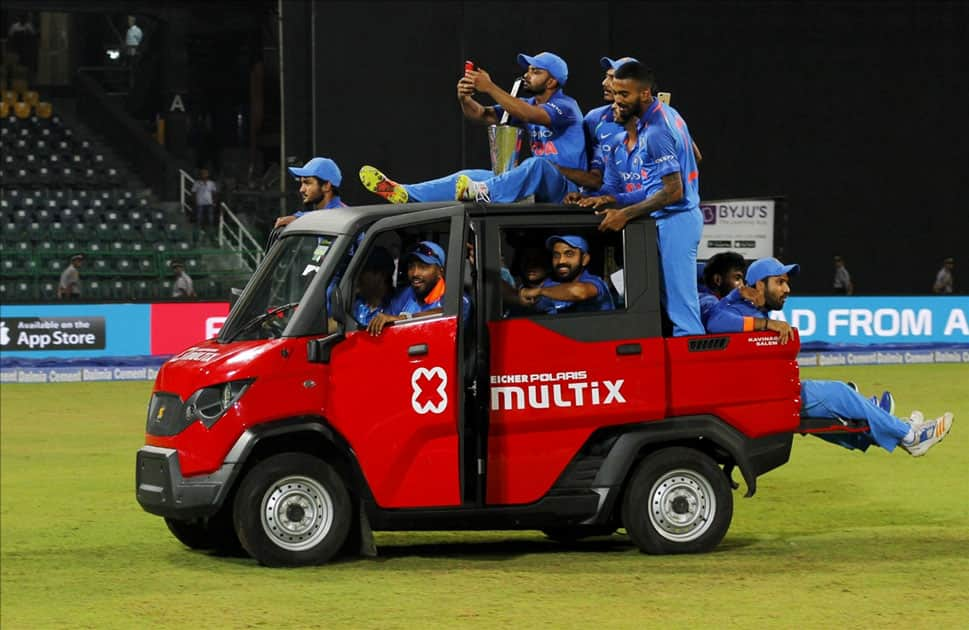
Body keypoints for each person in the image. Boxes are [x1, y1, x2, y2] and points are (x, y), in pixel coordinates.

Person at [706, 256, 954, 456]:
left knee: (835, 418)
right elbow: (715, 321)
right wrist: (764, 324)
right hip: (764, 398)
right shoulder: (740, 308)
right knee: (839, 393)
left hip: (768, 393)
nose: (787, 289)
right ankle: (910, 435)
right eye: (780, 282)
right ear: (759, 285)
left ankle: (882, 419)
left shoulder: (749, 308)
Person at [569, 61, 704, 336]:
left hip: (676, 219)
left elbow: (672, 191)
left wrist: (624, 214)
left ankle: (693, 374)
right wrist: (611, 200)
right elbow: (693, 158)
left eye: (624, 94)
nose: (617, 100)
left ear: (644, 94)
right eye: (616, 93)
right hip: (669, 217)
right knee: (667, 306)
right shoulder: (668, 113)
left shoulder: (655, 131)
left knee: (682, 313)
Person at [359, 51, 586, 204]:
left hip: (569, 189)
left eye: (536, 71)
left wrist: (489, 87)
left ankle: (483, 192)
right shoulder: (524, 104)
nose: (527, 75)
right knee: (469, 175)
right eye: (528, 70)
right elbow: (481, 114)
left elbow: (530, 115)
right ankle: (407, 194)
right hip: (539, 188)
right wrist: (465, 99)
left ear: (552, 81)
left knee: (537, 164)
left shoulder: (566, 107)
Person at [367, 241, 470, 335]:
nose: (415, 273)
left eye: (423, 267)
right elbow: (386, 320)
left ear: (440, 271)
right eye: (411, 266)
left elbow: (449, 313)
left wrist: (403, 319)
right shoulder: (405, 294)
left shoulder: (456, 296)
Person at [517, 235, 614, 314]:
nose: (561, 261)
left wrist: (539, 291)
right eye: (556, 255)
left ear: (584, 259)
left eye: (569, 254)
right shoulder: (554, 288)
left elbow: (579, 292)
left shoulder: (595, 282)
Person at [698, 251, 746, 325]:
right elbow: (715, 318)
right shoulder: (706, 300)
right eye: (737, 278)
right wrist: (764, 323)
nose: (742, 285)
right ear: (718, 280)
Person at [351, 247, 395, 326]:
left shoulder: (395, 306)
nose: (358, 277)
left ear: (380, 275)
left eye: (363, 272)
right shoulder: (357, 304)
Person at [190, 167, 218, 233]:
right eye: (202, 173)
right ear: (200, 174)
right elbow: (193, 192)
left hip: (209, 203)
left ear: (208, 174)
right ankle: (199, 230)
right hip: (200, 203)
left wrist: (215, 202)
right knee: (199, 218)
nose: (204, 175)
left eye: (205, 173)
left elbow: (214, 193)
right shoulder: (196, 183)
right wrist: (194, 201)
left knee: (210, 218)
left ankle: (210, 230)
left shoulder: (211, 183)